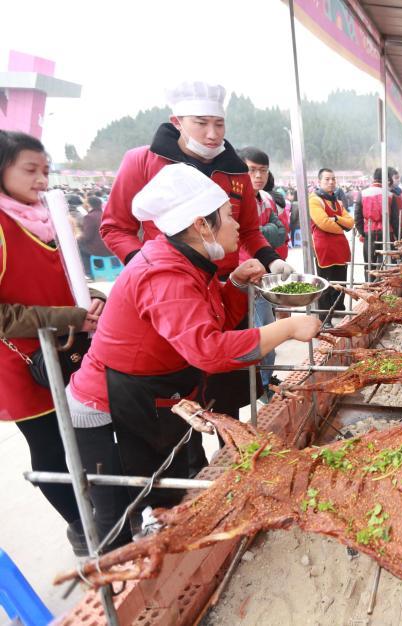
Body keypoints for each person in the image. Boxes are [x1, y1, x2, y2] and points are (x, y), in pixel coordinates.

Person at [68, 164, 321, 514]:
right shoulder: (164, 272)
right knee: (124, 513)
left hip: (155, 395)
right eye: (229, 216)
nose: (237, 225)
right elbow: (208, 350)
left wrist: (234, 284)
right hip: (111, 408)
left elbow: (212, 320)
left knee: (166, 496)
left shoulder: (188, 260)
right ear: (202, 224)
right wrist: (287, 329)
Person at [100, 80, 294, 427]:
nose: (212, 134)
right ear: (176, 121)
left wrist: (272, 260)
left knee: (228, 389)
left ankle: (232, 443)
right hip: (168, 295)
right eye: (201, 123)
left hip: (226, 291)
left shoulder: (236, 170)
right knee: (178, 384)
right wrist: (149, 272)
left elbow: (249, 230)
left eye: (219, 124)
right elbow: (115, 227)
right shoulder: (142, 161)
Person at [0, 131, 111, 554]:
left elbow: (68, 279)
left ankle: (108, 515)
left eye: (46, 170)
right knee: (49, 448)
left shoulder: (48, 218)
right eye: (30, 170)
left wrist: (93, 299)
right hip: (21, 364)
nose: (42, 180)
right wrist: (70, 317)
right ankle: (82, 529)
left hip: (71, 350)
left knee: (87, 438)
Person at [239, 147, 287, 396]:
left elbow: (281, 232)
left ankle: (267, 380)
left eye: (263, 171)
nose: (258, 176)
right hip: (245, 277)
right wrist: (259, 232)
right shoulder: (233, 202)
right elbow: (242, 236)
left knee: (268, 328)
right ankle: (261, 385)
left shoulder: (267, 199)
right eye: (252, 170)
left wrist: (259, 232)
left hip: (266, 275)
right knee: (258, 333)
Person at [309, 168, 354, 325]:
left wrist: (335, 218)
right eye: (327, 179)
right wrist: (341, 227)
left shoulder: (337, 202)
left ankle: (338, 309)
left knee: (340, 281)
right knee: (325, 283)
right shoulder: (314, 200)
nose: (331, 182)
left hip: (340, 248)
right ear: (319, 181)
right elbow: (323, 223)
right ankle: (325, 318)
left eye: (333, 179)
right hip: (324, 248)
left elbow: (351, 222)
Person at [356, 168, 388, 280]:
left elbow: (357, 216)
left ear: (374, 178)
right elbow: (394, 219)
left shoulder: (362, 193)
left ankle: (369, 285)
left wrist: (362, 232)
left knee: (369, 264)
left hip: (369, 231)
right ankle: (383, 285)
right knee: (385, 263)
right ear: (386, 179)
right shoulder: (389, 194)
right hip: (386, 232)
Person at [78, 195, 112, 277]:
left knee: (80, 247)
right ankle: (100, 266)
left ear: (88, 205)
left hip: (100, 250)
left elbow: (87, 237)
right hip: (112, 248)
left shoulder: (89, 217)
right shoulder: (107, 214)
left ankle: (88, 273)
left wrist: (78, 238)